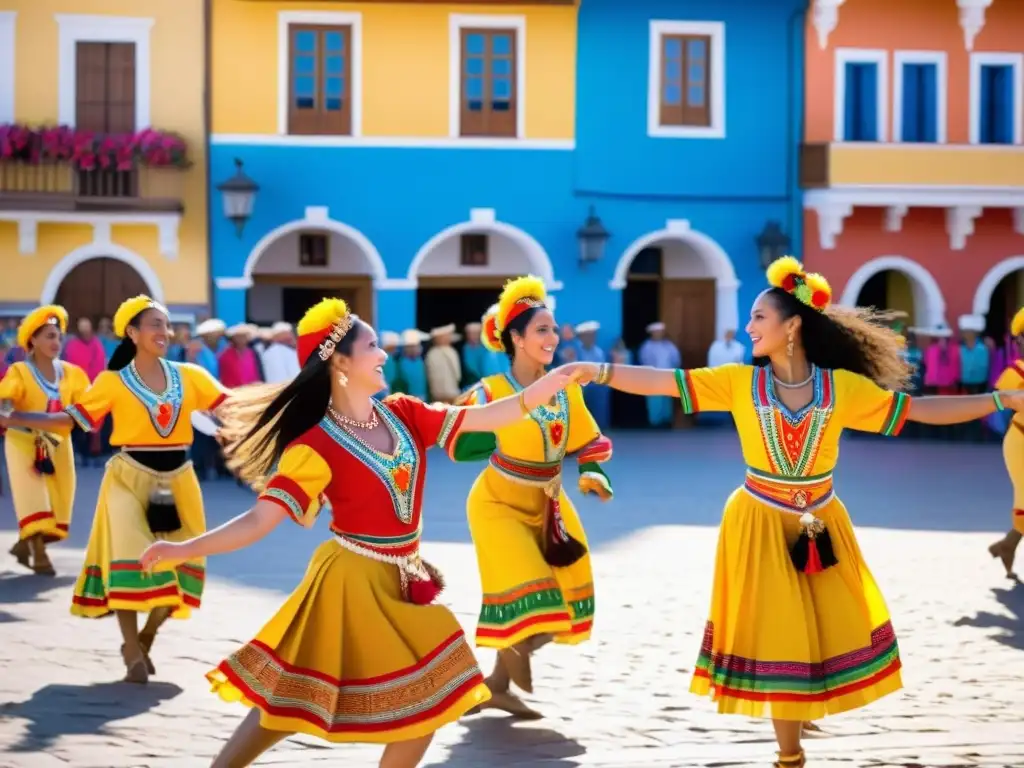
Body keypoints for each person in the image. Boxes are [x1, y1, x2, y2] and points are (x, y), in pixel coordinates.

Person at [557, 256, 1024, 768]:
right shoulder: (738, 382)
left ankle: (801, 714)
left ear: (793, 324)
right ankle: (789, 755)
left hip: (821, 520)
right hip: (758, 520)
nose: (750, 326)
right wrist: (596, 371)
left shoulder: (842, 388)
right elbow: (667, 381)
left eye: (760, 317)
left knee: (824, 624)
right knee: (781, 630)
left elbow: (916, 410)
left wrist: (1000, 399)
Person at [137, 298, 578, 768]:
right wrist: (185, 547)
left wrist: (550, 384)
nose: (384, 352)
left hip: (402, 578)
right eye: (372, 345)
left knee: (427, 695)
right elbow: (259, 520)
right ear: (342, 362)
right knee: (291, 700)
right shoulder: (316, 444)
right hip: (349, 581)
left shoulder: (404, 413)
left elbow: (485, 418)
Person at [0, 295, 230, 684]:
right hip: (128, 477)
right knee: (130, 557)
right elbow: (68, 419)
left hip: (178, 480)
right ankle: (130, 648)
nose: (165, 332)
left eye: (167, 324)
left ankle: (147, 634)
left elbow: (231, 407)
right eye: (155, 324)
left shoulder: (191, 375)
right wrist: (14, 415)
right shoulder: (112, 381)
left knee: (179, 562)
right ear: (133, 333)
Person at [453, 276, 612, 719]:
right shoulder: (491, 392)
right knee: (533, 597)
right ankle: (510, 659)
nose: (553, 336)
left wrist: (594, 473)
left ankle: (497, 684)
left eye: (554, 328)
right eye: (541, 329)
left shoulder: (566, 387)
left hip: (550, 506)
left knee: (569, 597)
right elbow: (457, 440)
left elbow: (591, 441)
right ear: (517, 338)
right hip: (497, 505)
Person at [0, 306, 90, 575]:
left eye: (58, 337)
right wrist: (8, 412)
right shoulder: (19, 372)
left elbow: (84, 412)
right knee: (35, 499)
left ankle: (23, 544)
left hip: (58, 443)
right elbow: (4, 409)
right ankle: (39, 553)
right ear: (33, 340)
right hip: (22, 443)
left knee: (60, 501)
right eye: (49, 336)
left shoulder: (72, 374)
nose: (55, 342)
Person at [988, 306, 1024, 578]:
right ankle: (1007, 545)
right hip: (1020, 441)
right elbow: (998, 399)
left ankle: (1007, 545)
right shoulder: (1017, 370)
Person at [638, 322, 681, 428]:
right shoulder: (647, 346)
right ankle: (655, 421)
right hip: (653, 377)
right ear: (652, 333)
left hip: (667, 376)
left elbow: (676, 359)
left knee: (666, 400)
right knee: (654, 400)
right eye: (656, 332)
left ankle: (666, 420)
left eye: (660, 332)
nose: (659, 334)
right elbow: (644, 361)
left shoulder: (669, 346)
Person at [425, 324, 462, 403]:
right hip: (438, 393)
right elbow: (431, 374)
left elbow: (457, 372)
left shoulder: (451, 351)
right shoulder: (432, 353)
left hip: (452, 391)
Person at [396, 329, 429, 400]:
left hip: (422, 397)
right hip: (409, 400)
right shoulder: (402, 364)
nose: (420, 348)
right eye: (417, 345)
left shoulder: (419, 361)